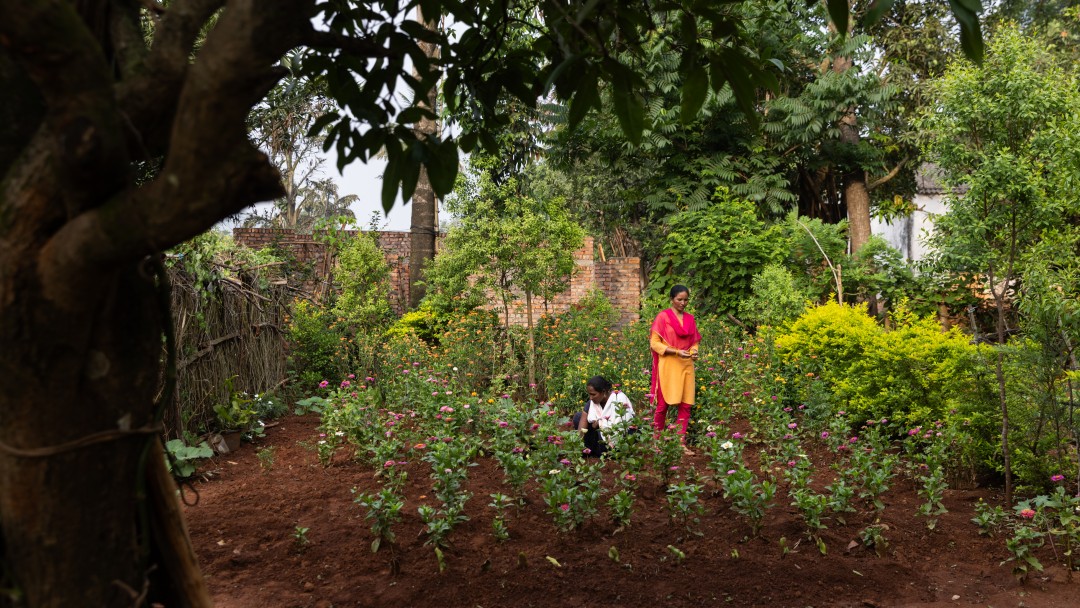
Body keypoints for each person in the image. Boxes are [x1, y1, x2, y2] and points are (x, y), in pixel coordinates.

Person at [649, 285, 701, 454]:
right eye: (679, 299)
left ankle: (680, 442)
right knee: (662, 405)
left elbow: (694, 341)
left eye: (686, 300)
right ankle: (657, 442)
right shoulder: (662, 317)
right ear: (671, 299)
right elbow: (655, 343)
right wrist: (676, 351)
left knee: (685, 405)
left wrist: (694, 352)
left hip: (686, 365)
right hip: (669, 365)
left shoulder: (691, 319)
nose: (683, 303)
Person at [573, 376, 635, 458]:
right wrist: (578, 445)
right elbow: (583, 422)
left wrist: (600, 423)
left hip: (619, 438)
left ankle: (609, 452)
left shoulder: (618, 399)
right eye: (589, 394)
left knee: (602, 428)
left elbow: (620, 424)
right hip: (600, 438)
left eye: (593, 394)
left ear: (603, 392)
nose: (590, 398)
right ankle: (590, 450)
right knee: (578, 417)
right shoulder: (592, 403)